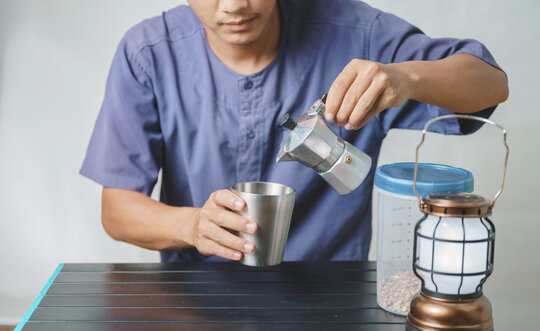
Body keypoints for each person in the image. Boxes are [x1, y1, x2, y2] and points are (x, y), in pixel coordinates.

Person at [80, 0, 508, 263]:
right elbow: (117, 210)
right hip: (195, 304)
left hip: (331, 300)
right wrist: (192, 226)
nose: (234, 5)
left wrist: (407, 78)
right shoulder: (148, 53)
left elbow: (492, 84)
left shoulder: (356, 34)